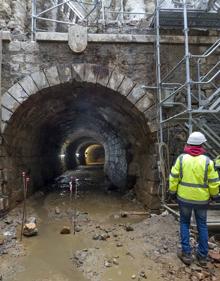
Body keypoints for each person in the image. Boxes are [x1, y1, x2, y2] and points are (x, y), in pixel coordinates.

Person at [169, 131, 220, 266]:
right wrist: (215, 195)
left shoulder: (181, 159)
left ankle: (186, 254)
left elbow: (173, 177)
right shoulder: (208, 161)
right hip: (202, 200)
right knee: (202, 225)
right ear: (202, 145)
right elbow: (214, 182)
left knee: (185, 223)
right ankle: (202, 257)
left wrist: (172, 192)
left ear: (188, 144)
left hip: (184, 198)